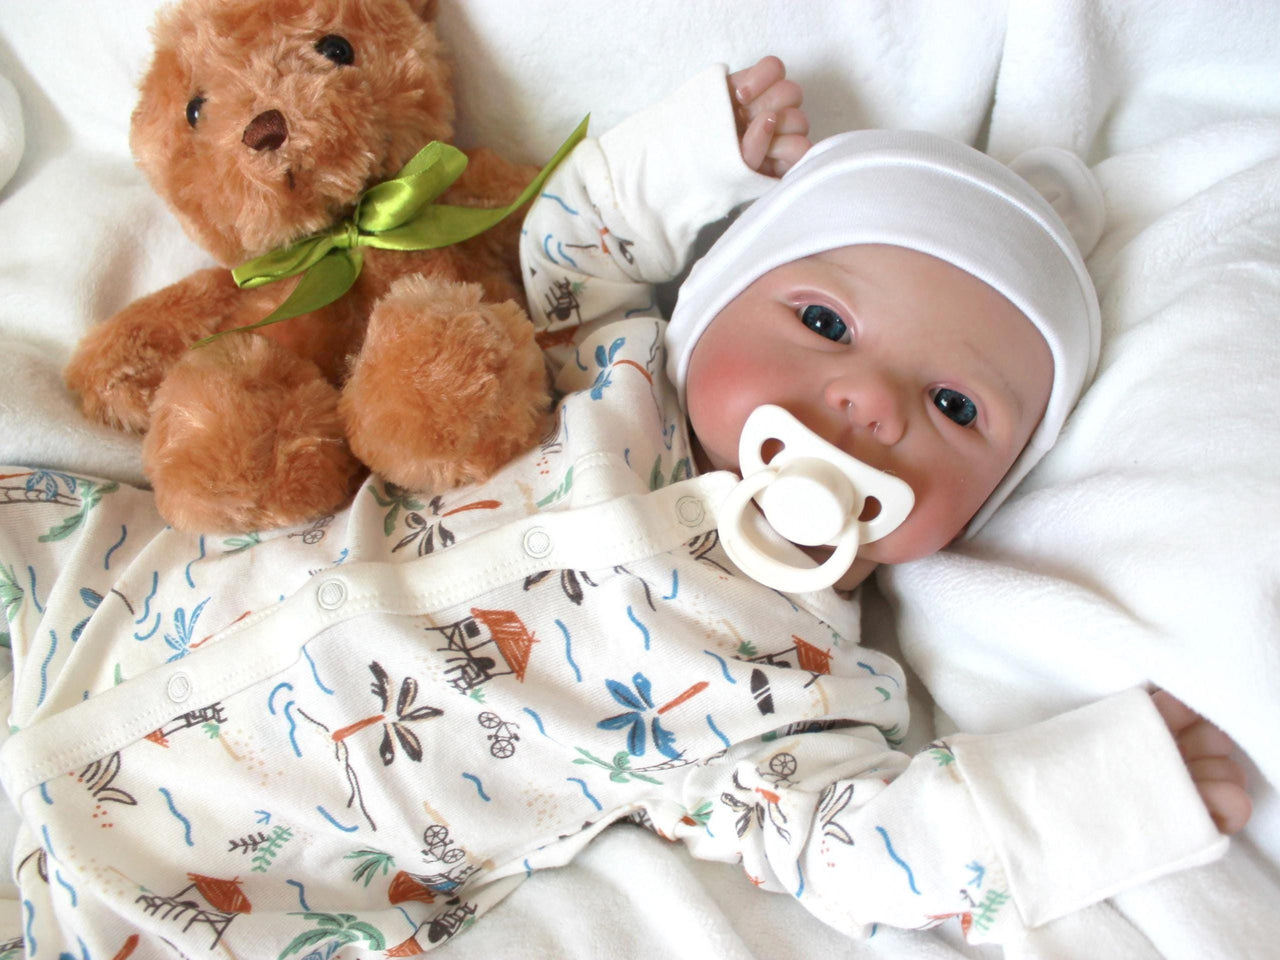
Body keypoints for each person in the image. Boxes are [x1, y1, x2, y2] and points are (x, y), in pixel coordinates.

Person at [0, 58, 1249, 955]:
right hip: (87, 591)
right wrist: (702, 149)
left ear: (985, 506)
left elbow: (851, 850)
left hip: (199, 882)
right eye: (819, 322)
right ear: (711, 300)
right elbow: (562, 239)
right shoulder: (609, 359)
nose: (868, 400)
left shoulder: (797, 682)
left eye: (955, 408)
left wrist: (1086, 799)